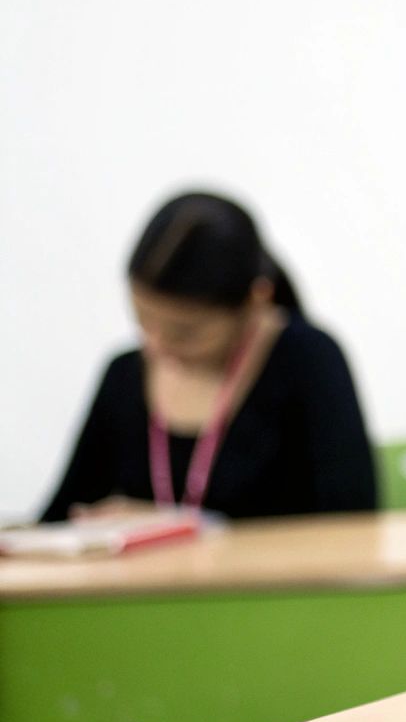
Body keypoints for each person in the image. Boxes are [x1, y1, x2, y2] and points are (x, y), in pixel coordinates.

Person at [41, 192, 375, 522]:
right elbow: (58, 520)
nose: (156, 346)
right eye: (143, 320)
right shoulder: (123, 373)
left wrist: (182, 528)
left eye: (184, 333)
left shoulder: (309, 359)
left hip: (278, 578)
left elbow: (352, 526)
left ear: (256, 299)